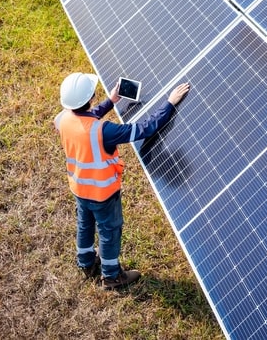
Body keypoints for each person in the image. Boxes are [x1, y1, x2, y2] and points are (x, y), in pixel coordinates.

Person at [54, 72, 190, 290]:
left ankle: (86, 262)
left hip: (79, 188)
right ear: (90, 97)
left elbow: (84, 119)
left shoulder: (61, 119)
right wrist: (170, 103)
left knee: (85, 224)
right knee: (109, 232)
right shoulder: (103, 131)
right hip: (102, 195)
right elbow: (145, 128)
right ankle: (111, 276)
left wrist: (111, 101)